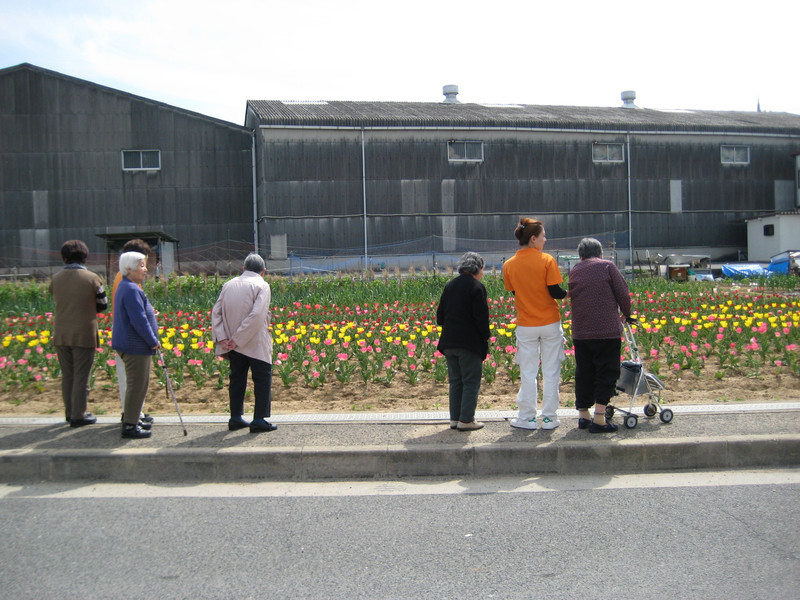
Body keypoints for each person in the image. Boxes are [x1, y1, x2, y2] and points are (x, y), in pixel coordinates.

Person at [502, 218, 567, 430]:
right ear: (532, 239)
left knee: (528, 373)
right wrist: (571, 293)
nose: (545, 240)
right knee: (551, 372)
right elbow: (556, 292)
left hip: (526, 324)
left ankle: (527, 418)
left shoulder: (509, 265)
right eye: (543, 236)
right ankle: (549, 418)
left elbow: (514, 291)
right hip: (549, 322)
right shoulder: (547, 260)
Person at [568, 238, 634, 433]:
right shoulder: (607, 266)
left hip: (581, 331)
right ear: (600, 254)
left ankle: (583, 415)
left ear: (581, 256)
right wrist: (627, 314)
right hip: (606, 330)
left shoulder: (576, 270)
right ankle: (599, 419)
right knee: (606, 372)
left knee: (584, 372)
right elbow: (623, 293)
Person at [211, 253, 277, 433]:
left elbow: (216, 312)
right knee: (262, 378)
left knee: (237, 379)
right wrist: (238, 339)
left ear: (243, 268)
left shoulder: (228, 285)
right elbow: (257, 315)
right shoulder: (262, 286)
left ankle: (235, 417)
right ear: (263, 271)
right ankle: (259, 419)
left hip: (232, 343)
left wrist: (223, 337)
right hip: (255, 341)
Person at [49, 240, 108, 427]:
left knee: (68, 375)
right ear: (85, 257)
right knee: (82, 375)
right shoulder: (92, 278)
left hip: (61, 332)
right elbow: (103, 304)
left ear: (64, 257)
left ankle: (69, 412)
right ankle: (78, 415)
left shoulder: (56, 278)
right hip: (84, 333)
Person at [436, 252, 491, 431]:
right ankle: (466, 420)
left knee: (456, 381)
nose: (483, 272)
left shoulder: (450, 285)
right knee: (470, 381)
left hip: (449, 342)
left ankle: (455, 419)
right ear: (477, 268)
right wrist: (485, 338)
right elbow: (481, 319)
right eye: (482, 268)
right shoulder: (476, 287)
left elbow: (439, 317)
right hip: (469, 344)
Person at [112, 251, 159, 439]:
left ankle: (133, 418)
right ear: (129, 268)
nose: (145, 269)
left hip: (133, 345)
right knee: (137, 385)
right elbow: (138, 320)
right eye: (141, 265)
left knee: (138, 385)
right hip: (135, 346)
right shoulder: (130, 289)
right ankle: (130, 425)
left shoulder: (128, 286)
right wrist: (152, 341)